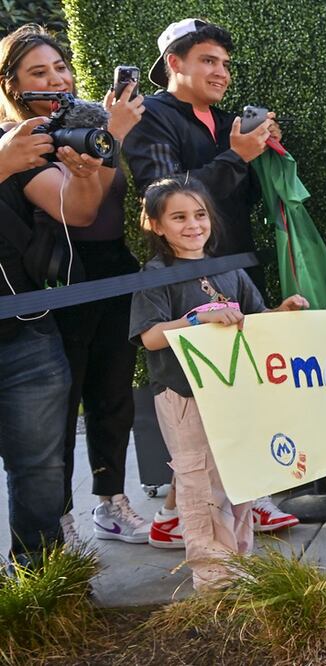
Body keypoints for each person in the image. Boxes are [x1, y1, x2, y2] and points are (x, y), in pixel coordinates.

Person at [0, 24, 149, 546]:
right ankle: (56, 518)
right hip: (59, 282)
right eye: (39, 72)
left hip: (111, 268)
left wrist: (102, 142)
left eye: (60, 67)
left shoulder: (85, 118)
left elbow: (99, 201)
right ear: (13, 86)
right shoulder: (18, 141)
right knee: (55, 413)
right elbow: (78, 213)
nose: (57, 78)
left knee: (113, 394)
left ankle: (111, 501)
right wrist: (115, 138)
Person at [128, 176, 308, 590]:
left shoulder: (225, 268)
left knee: (240, 478)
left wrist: (283, 311)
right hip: (185, 396)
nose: (193, 225)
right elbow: (149, 336)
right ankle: (215, 582)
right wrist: (196, 319)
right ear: (156, 225)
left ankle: (240, 569)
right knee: (200, 485)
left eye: (199, 214)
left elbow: (253, 318)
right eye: (178, 217)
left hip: (234, 393)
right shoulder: (155, 275)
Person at [0, 109, 107, 568]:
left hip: (27, 333)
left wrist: (86, 175)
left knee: (41, 471)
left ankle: (39, 588)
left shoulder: (11, 142)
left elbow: (78, 211)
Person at [122, 18, 280, 286]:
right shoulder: (148, 115)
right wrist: (238, 156)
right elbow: (162, 196)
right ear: (174, 62)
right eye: (208, 61)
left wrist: (264, 149)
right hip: (189, 283)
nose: (222, 73)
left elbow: (245, 198)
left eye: (225, 64)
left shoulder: (229, 122)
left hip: (244, 273)